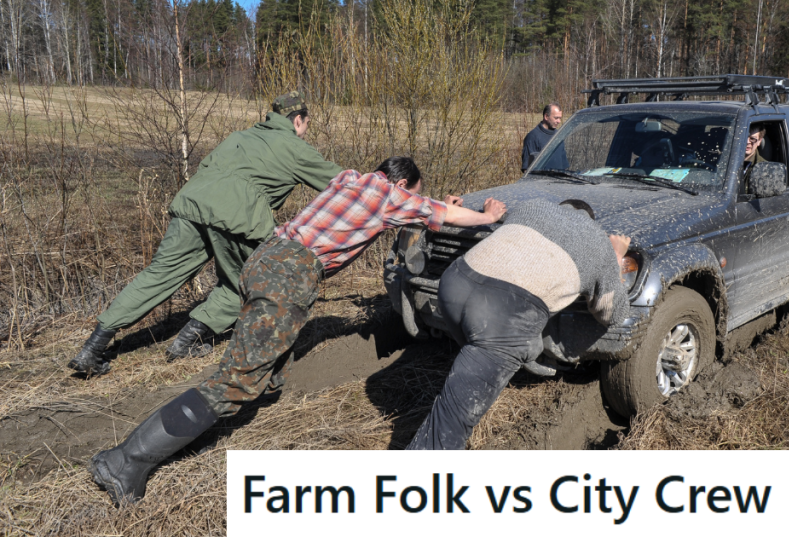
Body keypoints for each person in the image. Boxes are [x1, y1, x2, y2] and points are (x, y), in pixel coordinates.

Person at [88, 157, 506, 506]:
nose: (411, 199)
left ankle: (247, 396)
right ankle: (126, 461)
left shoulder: (349, 179)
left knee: (263, 370)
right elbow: (442, 215)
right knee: (234, 383)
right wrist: (485, 216)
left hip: (265, 260)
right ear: (400, 183)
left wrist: (432, 204)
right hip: (291, 275)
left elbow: (424, 212)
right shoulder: (388, 195)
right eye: (412, 191)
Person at [69, 90, 344, 377]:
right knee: (243, 281)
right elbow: (346, 184)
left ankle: (92, 347)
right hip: (237, 216)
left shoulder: (238, 137)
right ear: (298, 120)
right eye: (306, 125)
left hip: (192, 204)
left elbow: (207, 168)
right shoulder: (295, 147)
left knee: (159, 274)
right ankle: (190, 340)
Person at [406, 199, 631, 450]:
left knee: (482, 349)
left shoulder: (532, 206)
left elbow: (501, 225)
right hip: (502, 314)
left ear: (561, 207)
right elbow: (612, 313)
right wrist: (615, 258)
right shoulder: (598, 240)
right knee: (451, 420)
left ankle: (469, 378)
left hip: (454, 284)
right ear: (590, 220)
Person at [521, 103, 568, 171]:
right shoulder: (533, 137)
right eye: (556, 118)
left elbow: (564, 166)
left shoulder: (559, 136)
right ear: (546, 116)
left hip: (559, 180)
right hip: (541, 181)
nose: (559, 121)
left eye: (560, 118)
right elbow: (527, 170)